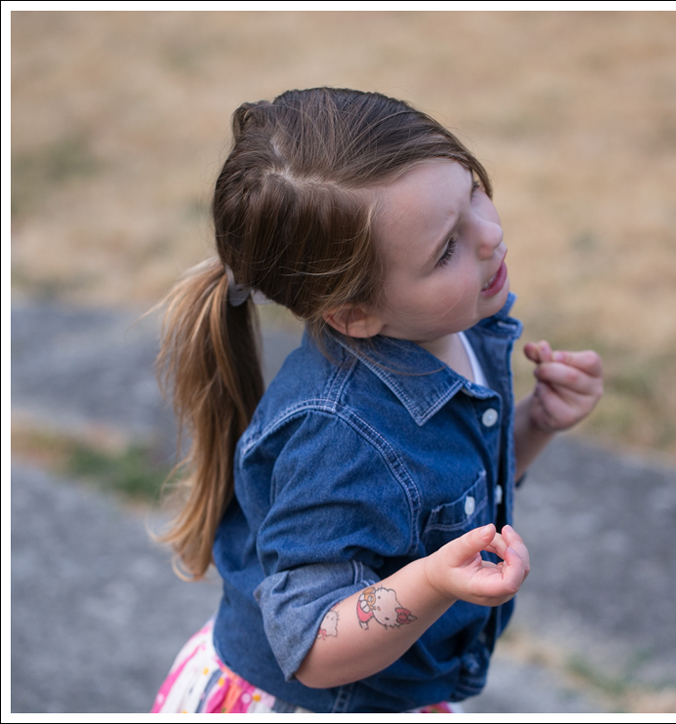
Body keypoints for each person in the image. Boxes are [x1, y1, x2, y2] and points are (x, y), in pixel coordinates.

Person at [151, 88, 603, 713]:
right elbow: (310, 646)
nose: (492, 236)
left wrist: (535, 424)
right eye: (445, 247)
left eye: (472, 190)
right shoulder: (337, 438)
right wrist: (429, 584)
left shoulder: (454, 323)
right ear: (354, 314)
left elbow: (447, 496)